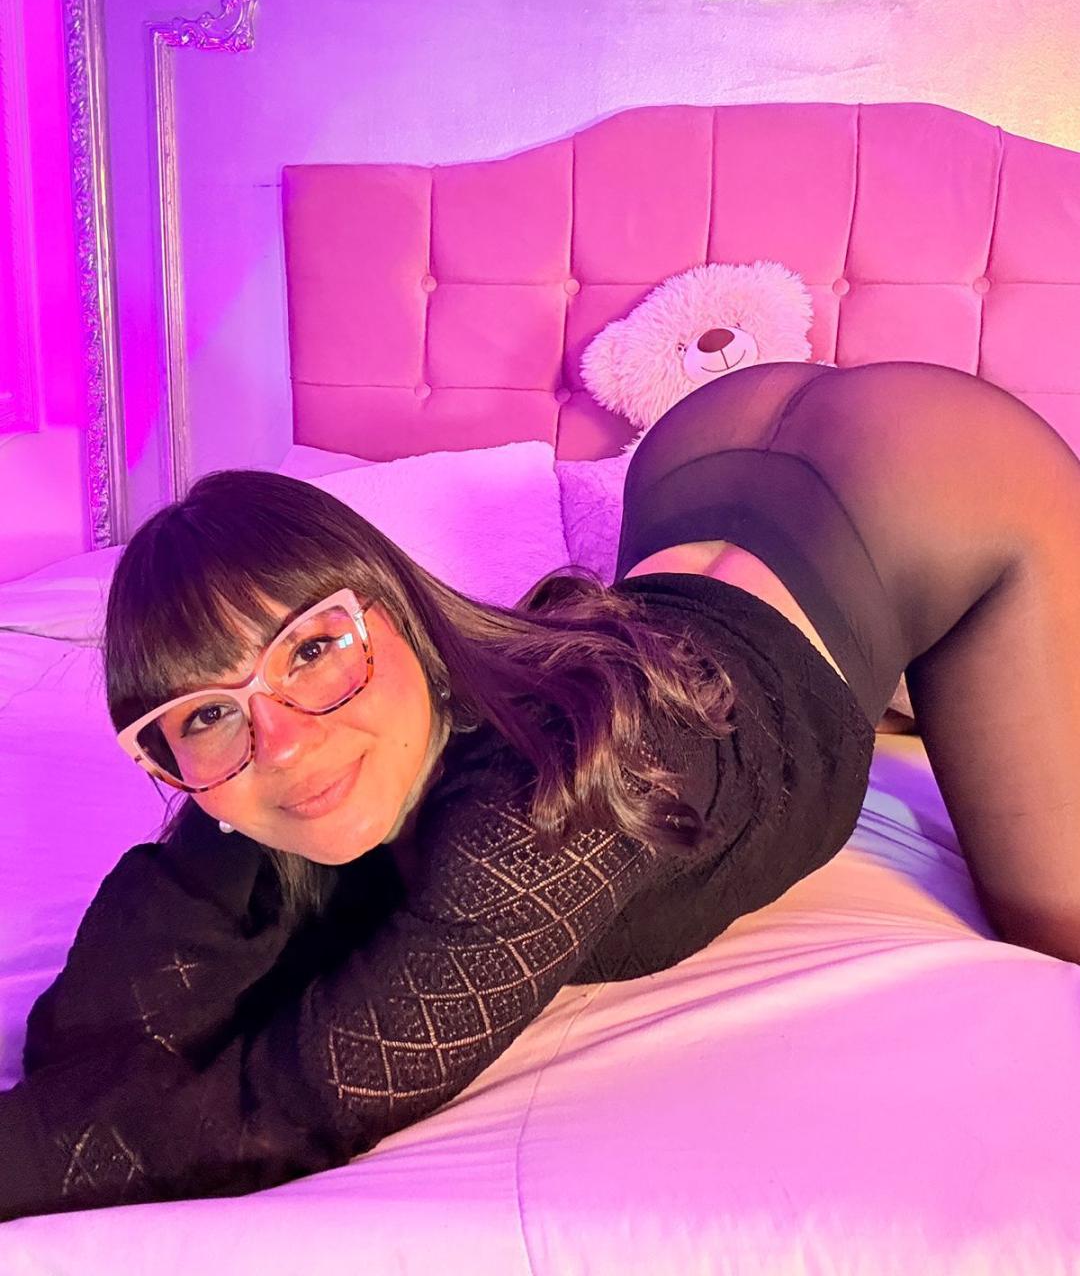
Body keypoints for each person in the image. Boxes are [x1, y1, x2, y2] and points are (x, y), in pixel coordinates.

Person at [2, 359, 1077, 1221]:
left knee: (1058, 921)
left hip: (930, 475)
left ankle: (909, 662)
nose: (282, 742)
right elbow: (85, 1039)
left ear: (401, 614)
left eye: (313, 650)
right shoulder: (257, 759)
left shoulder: (540, 814)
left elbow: (288, 1110)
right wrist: (215, 812)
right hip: (698, 455)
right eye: (204, 715)